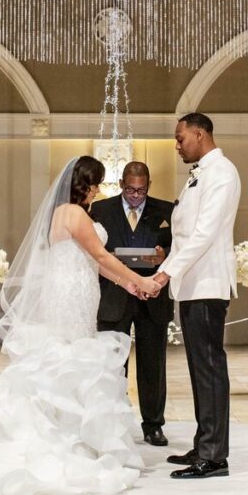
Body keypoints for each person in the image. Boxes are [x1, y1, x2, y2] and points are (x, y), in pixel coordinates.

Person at [0, 156, 161, 495]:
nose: (98, 190)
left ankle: (70, 432)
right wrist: (141, 280)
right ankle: (71, 441)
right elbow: (101, 256)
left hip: (70, 288)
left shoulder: (61, 214)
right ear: (84, 184)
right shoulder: (75, 214)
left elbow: (94, 262)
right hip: (73, 294)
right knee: (72, 360)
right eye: (95, 183)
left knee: (64, 358)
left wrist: (128, 285)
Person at [152, 113, 241, 480]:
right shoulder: (202, 172)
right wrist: (166, 266)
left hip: (207, 283)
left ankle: (214, 456)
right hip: (192, 285)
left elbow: (204, 233)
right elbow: (184, 234)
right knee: (199, 369)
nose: (177, 145)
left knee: (209, 368)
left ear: (200, 134)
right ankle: (204, 442)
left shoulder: (222, 172)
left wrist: (165, 273)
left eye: (180, 138)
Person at [91, 161, 174, 446]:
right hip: (114, 295)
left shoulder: (167, 210)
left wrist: (164, 256)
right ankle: (113, 424)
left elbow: (180, 246)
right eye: (130, 190)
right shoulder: (101, 210)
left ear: (149, 185)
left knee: (153, 365)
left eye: (141, 190)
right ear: (120, 184)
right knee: (113, 363)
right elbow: (94, 250)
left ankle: (153, 425)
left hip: (153, 294)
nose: (135, 196)